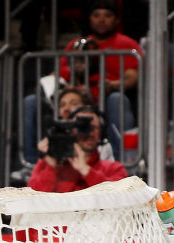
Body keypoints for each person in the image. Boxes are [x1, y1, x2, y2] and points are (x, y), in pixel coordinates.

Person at [57, 0, 141, 161]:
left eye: (107, 16)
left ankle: (122, 161)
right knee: (33, 101)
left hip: (109, 99)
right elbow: (60, 75)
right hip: (80, 101)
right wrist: (74, 74)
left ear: (116, 20)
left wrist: (113, 85)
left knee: (117, 99)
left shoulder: (127, 44)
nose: (101, 20)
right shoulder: (77, 45)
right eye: (96, 16)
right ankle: (36, 161)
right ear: (90, 19)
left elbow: (132, 77)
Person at [28, 104, 125, 192]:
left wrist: (86, 170)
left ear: (101, 133)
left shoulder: (114, 169)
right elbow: (32, 201)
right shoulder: (46, 165)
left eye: (94, 127)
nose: (89, 133)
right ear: (71, 131)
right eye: (82, 128)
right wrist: (51, 168)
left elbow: (119, 197)